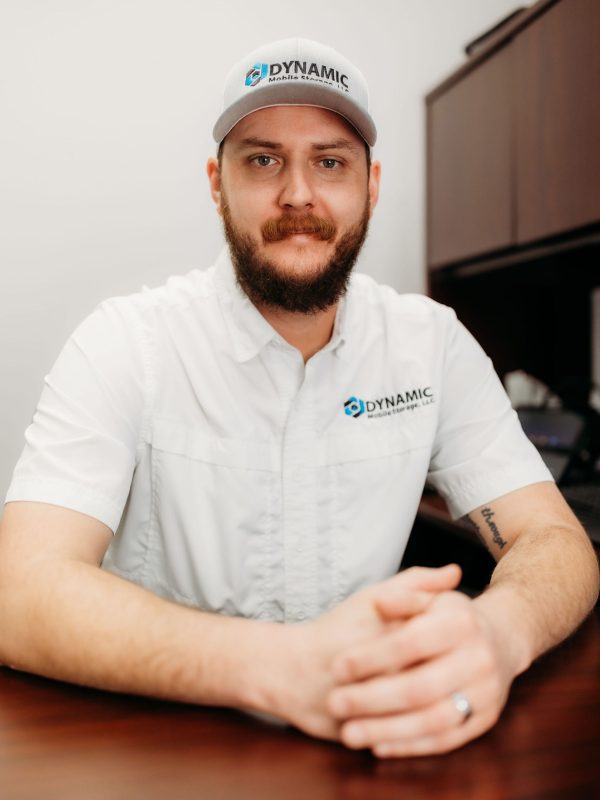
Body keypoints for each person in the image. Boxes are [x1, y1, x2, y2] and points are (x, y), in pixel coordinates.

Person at [0, 37, 597, 759]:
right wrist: (284, 669)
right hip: (163, 752)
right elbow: (19, 591)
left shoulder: (429, 345)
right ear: (216, 183)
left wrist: (498, 634)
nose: (298, 195)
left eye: (330, 161)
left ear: (371, 186)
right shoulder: (126, 343)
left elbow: (555, 541)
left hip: (367, 746)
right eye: (262, 159)